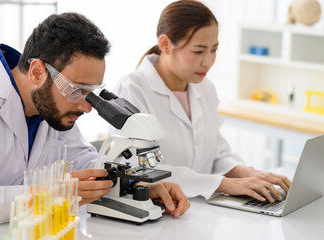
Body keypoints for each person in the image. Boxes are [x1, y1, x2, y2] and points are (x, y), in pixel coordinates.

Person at [0, 12, 190, 226]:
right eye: (77, 90)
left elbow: (85, 164)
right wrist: (48, 195)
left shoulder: (53, 109)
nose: (86, 107)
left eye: (90, 92)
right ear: (37, 72)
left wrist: (135, 186)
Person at [111, 0, 291, 203]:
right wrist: (224, 184)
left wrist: (249, 173)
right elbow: (139, 168)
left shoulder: (205, 88)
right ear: (165, 44)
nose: (208, 61)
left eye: (214, 50)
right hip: (158, 210)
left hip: (202, 209)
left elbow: (217, 155)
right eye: (198, 51)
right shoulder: (132, 89)